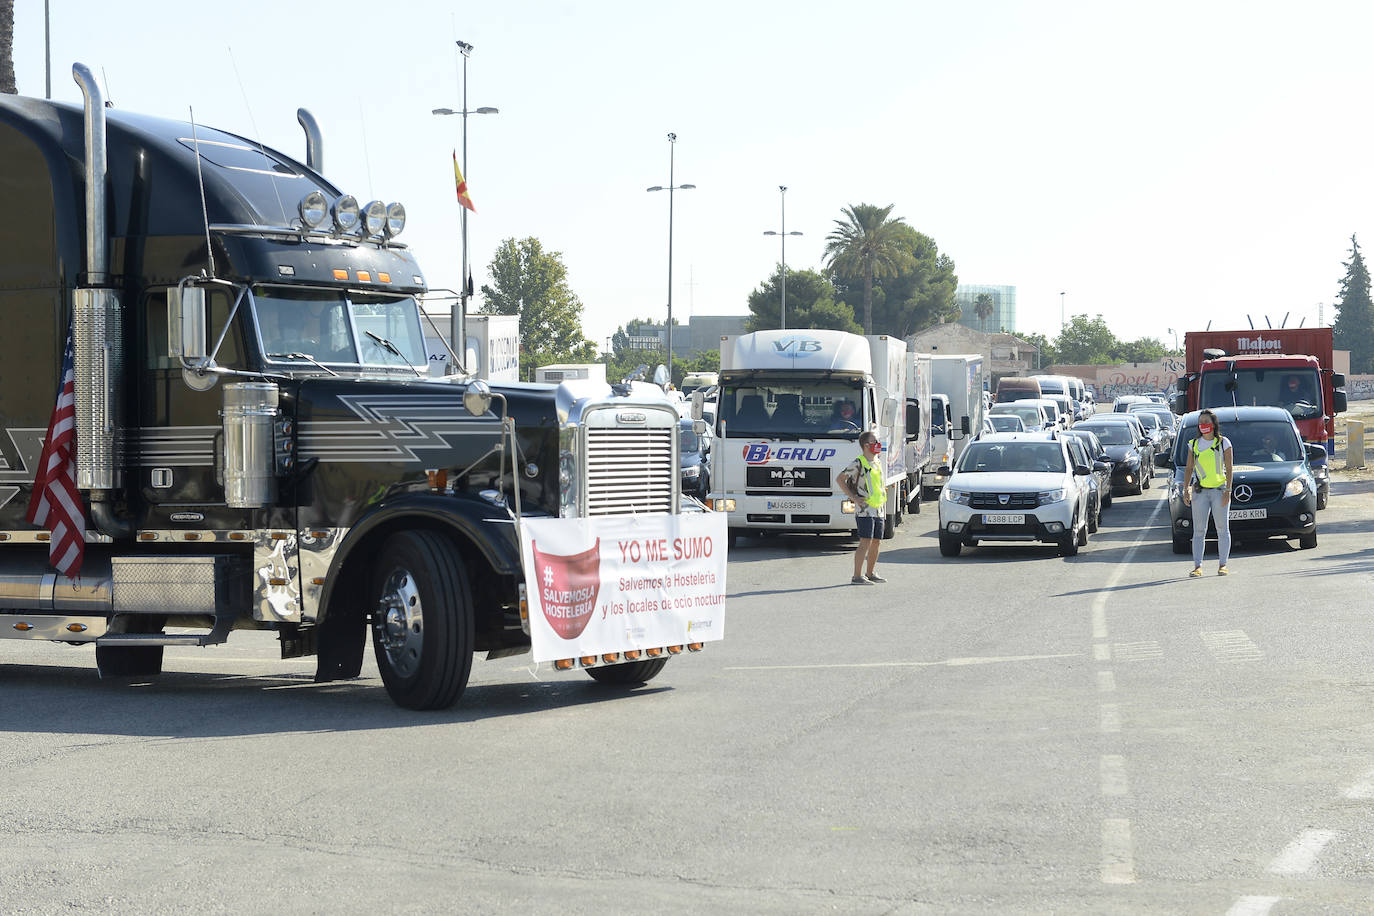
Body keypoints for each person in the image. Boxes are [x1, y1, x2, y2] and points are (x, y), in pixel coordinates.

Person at [1182, 409, 1234, 577]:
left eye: (1206, 421)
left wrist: (1228, 490)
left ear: (1213, 424)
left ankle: (1223, 565)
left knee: (1222, 529)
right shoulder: (1194, 444)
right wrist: (1186, 489)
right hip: (1200, 492)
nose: (1203, 425)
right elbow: (1189, 468)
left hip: (1220, 491)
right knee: (1199, 530)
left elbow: (1230, 468)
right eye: (1201, 422)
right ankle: (1197, 566)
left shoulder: (1223, 443)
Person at [836, 430, 887, 584]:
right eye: (875, 442)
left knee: (876, 541)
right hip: (864, 509)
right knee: (865, 541)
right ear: (866, 445)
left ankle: (870, 573)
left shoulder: (877, 461)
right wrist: (854, 498)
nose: (878, 444)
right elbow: (840, 479)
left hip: (878, 507)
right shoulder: (858, 462)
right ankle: (857, 576)